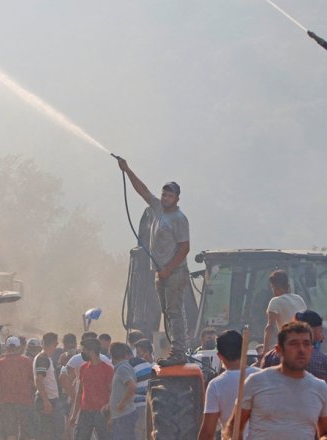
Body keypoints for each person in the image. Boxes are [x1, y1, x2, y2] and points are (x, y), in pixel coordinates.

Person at [118, 157, 191, 366]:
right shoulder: (157, 207)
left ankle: (179, 351)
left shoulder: (179, 218)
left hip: (175, 272)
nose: (166, 197)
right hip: (161, 272)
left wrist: (168, 268)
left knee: (175, 311)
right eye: (164, 194)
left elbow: (185, 247)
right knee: (167, 312)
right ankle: (175, 349)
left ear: (177, 198)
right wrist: (127, 170)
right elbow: (142, 190)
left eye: (170, 195)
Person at [227, 322, 327, 440]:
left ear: (311, 349)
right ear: (279, 349)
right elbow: (234, 428)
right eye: (294, 344)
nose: (301, 350)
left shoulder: (320, 388)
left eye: (306, 344)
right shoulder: (256, 382)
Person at [259, 310, 327, 436]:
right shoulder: (324, 363)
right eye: (320, 331)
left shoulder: (269, 358)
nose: (322, 337)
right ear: (310, 333)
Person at [198, 330, 260, 440]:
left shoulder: (215, 385)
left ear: (219, 355)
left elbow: (207, 434)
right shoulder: (262, 376)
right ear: (244, 350)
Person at [69, 338, 112, 440]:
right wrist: (74, 415)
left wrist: (111, 416)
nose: (82, 353)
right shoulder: (83, 368)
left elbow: (112, 393)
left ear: (92, 352)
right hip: (85, 412)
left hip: (102, 413)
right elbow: (80, 392)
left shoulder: (108, 369)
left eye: (84, 350)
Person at [0, 336, 35, 440]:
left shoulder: (0, 363)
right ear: (18, 347)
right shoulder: (27, 361)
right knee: (26, 430)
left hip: (6, 402)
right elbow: (32, 381)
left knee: (10, 431)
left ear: (6, 348)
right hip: (24, 400)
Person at [262, 269, 306, 354]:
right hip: (303, 342)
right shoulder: (299, 299)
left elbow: (270, 326)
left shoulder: (275, 301)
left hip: (288, 344)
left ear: (274, 287)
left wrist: (265, 349)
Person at [35, 333, 64, 440]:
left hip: (48, 400)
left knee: (50, 432)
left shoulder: (44, 358)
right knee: (49, 433)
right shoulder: (43, 359)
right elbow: (39, 380)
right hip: (47, 401)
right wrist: (46, 401)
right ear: (53, 344)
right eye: (55, 344)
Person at [108, 342, 137, 439]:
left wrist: (122, 402)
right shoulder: (122, 367)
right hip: (120, 416)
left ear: (111, 354)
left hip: (124, 416)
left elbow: (132, 386)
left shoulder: (122, 369)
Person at [128, 339, 154, 440]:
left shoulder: (154, 367)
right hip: (144, 406)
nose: (137, 355)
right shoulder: (145, 366)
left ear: (146, 352)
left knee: (140, 430)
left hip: (142, 406)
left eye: (139, 352)